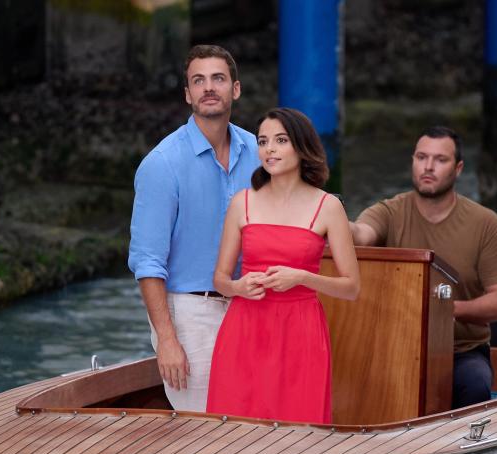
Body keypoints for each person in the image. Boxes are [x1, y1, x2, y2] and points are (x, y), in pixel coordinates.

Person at [128, 45, 260, 412]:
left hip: (254, 308)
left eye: (218, 78)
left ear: (236, 88)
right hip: (190, 312)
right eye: (198, 81)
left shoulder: (260, 152)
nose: (208, 88)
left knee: (258, 422)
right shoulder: (162, 164)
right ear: (188, 94)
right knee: (205, 429)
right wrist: (167, 340)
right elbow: (148, 262)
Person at [206, 108, 360, 423]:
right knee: (233, 431)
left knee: (298, 433)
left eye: (280, 140)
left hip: (300, 331)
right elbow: (220, 278)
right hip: (244, 328)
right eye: (263, 142)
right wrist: (237, 287)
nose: (269, 150)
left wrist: (303, 277)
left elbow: (351, 287)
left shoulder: (328, 207)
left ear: (302, 147)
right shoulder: (242, 202)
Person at [350, 126, 497, 408]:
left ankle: (467, 450)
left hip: (461, 351)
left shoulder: (486, 223)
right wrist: (333, 218)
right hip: (394, 348)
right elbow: (362, 234)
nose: (428, 166)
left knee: (475, 384)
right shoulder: (389, 211)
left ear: (458, 168)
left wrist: (447, 310)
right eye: (421, 157)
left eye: (440, 160)